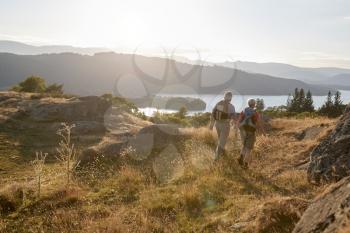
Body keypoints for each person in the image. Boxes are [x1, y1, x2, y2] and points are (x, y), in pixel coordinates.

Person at [209, 91, 236, 160]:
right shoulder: (231, 106)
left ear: (224, 96)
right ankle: (216, 159)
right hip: (225, 125)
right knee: (221, 142)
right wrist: (235, 126)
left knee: (221, 141)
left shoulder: (219, 104)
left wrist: (211, 126)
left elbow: (213, 114)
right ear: (231, 98)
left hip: (217, 124)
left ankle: (223, 155)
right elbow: (234, 118)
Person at [237, 99, 263, 169]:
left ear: (248, 104)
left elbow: (239, 121)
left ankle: (241, 158)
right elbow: (258, 123)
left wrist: (239, 129)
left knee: (244, 145)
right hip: (251, 131)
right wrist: (260, 130)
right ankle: (245, 164)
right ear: (254, 104)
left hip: (243, 130)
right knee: (249, 148)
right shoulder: (255, 112)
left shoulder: (244, 111)